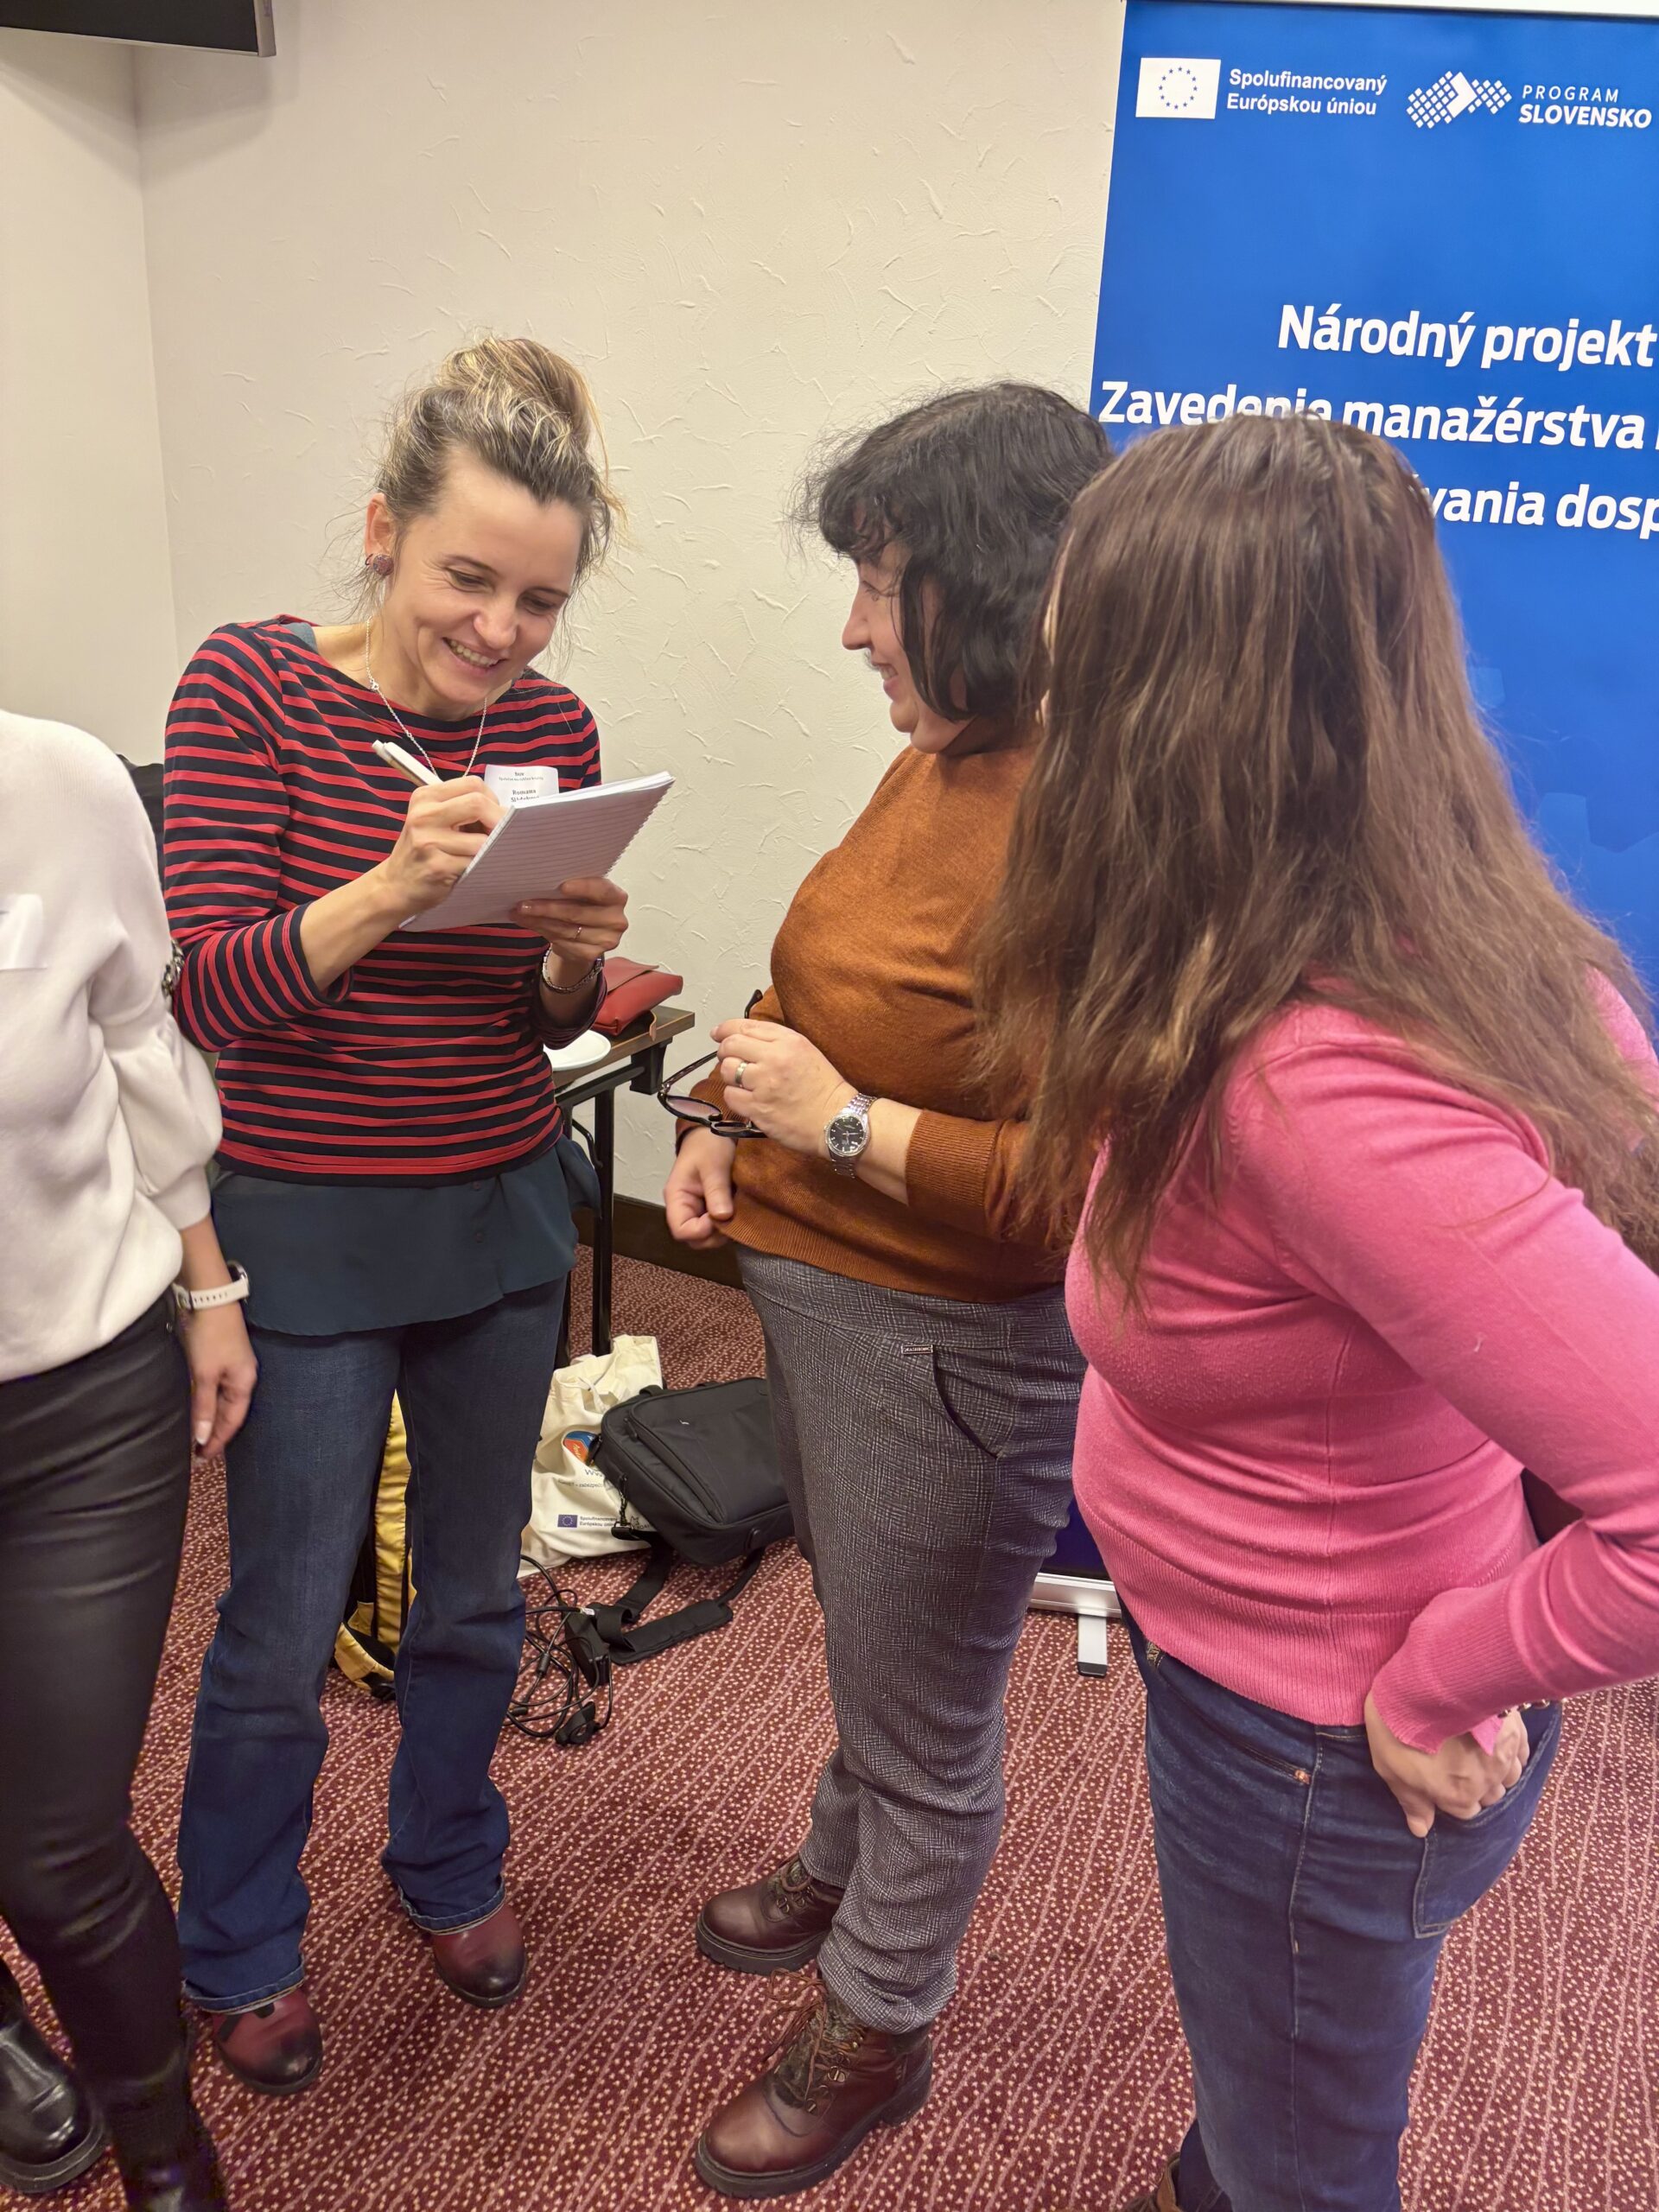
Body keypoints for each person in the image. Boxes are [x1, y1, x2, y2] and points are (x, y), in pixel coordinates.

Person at [980, 411, 1659, 2212]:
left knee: (1306, 2162)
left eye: (1077, 654)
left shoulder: (1318, 1083)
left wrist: (1444, 1674)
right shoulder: (1384, 942)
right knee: (1278, 2093)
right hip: (1260, 1667)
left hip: (1315, 1744)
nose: (1048, 689)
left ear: (1166, 714)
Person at [164, 337, 631, 2094]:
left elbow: (536, 1022)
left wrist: (571, 957)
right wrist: (384, 886)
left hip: (496, 1211)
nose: (502, 631)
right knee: (283, 1619)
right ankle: (238, 1937)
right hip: (305, 1225)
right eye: (468, 579)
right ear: (383, 535)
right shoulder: (248, 689)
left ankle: (446, 1853)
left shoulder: (554, 731)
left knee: (473, 1592)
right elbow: (207, 996)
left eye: (540, 600)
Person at [663, 383, 1111, 2199]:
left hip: (951, 1347)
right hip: (828, 1305)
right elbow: (837, 975)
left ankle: (880, 2017)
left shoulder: (1093, 820)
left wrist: (832, 1123)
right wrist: (736, 1106)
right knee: (877, 1643)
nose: (854, 628)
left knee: (927, 1714)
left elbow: (1079, 1190)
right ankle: (845, 1863)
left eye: (881, 582)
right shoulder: (946, 748)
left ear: (988, 585)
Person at [0, 709, 257, 2209]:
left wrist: (209, 1281)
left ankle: (168, 2158)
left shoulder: (58, 783)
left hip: (80, 1396)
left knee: (55, 1849)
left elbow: (136, 1045)